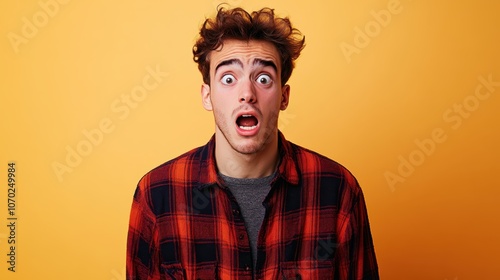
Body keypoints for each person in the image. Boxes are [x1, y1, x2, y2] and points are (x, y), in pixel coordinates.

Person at [127, 6, 379, 280]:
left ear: (284, 97)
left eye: (263, 79)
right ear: (207, 96)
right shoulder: (156, 196)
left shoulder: (338, 192)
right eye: (228, 79)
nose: (247, 94)